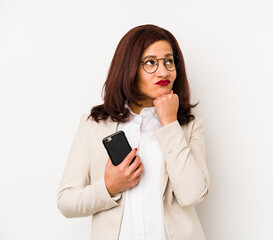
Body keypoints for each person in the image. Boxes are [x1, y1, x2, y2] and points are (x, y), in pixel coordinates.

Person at [57, 24, 210, 240]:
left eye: (169, 61)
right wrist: (109, 187)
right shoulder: (94, 125)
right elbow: (66, 202)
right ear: (129, 67)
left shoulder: (189, 126)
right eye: (150, 62)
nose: (164, 71)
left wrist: (169, 123)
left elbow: (192, 194)